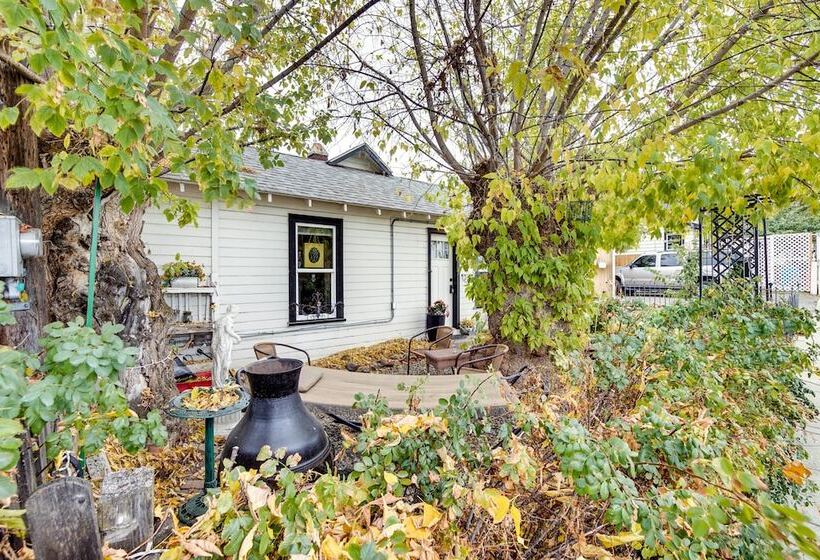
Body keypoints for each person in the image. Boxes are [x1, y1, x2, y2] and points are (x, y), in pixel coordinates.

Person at [212, 305, 241, 388]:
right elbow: (228, 330)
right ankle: (219, 384)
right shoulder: (227, 319)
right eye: (237, 312)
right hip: (222, 344)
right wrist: (237, 337)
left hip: (222, 343)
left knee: (222, 364)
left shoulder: (221, 319)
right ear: (234, 311)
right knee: (221, 364)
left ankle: (223, 382)